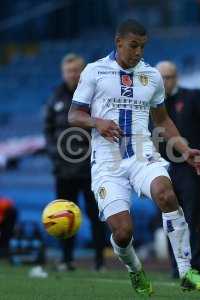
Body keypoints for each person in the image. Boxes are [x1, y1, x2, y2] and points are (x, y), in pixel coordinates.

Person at [67, 19, 200, 296]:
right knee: (123, 233)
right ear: (118, 42)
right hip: (107, 162)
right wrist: (98, 122)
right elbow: (74, 114)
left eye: (143, 47)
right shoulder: (95, 71)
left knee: (166, 195)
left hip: (142, 155)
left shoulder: (152, 76)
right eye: (133, 46)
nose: (138, 52)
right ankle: (135, 270)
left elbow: (163, 121)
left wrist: (185, 150)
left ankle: (186, 271)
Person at [156, 61, 200, 277]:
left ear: (177, 77)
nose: (165, 81)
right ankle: (177, 268)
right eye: (161, 77)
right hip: (163, 168)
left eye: (169, 77)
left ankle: (198, 267)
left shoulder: (193, 97)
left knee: (195, 218)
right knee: (170, 218)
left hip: (191, 168)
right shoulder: (152, 104)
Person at [44, 53, 107, 271]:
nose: (72, 74)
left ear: (83, 72)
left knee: (96, 215)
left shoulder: (95, 95)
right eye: (68, 71)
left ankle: (100, 261)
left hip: (92, 168)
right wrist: (57, 156)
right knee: (63, 216)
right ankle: (66, 259)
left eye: (76, 70)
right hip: (64, 170)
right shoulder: (55, 97)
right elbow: (48, 131)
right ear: (63, 73)